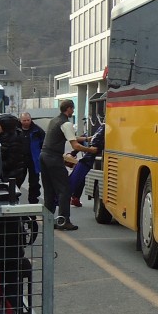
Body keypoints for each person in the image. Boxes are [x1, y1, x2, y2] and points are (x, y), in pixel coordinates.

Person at [39, 99, 97, 231]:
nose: (73, 111)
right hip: (54, 158)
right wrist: (90, 150)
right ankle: (64, 221)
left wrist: (86, 139)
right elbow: (75, 145)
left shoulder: (54, 121)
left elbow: (70, 137)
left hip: (44, 156)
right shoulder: (66, 123)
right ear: (69, 108)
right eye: (73, 109)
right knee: (64, 190)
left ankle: (48, 221)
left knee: (49, 191)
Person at [68, 123, 104, 207]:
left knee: (81, 176)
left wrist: (73, 154)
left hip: (87, 158)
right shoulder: (101, 129)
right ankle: (75, 197)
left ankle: (75, 197)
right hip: (88, 158)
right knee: (81, 176)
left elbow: (78, 141)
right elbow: (77, 142)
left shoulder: (92, 134)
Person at [18, 112, 45, 205]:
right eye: (24, 120)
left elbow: (44, 144)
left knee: (34, 182)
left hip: (34, 160)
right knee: (18, 180)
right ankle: (14, 199)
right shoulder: (16, 130)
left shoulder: (38, 131)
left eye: (28, 120)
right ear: (20, 121)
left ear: (31, 120)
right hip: (20, 160)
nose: (26, 122)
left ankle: (33, 201)